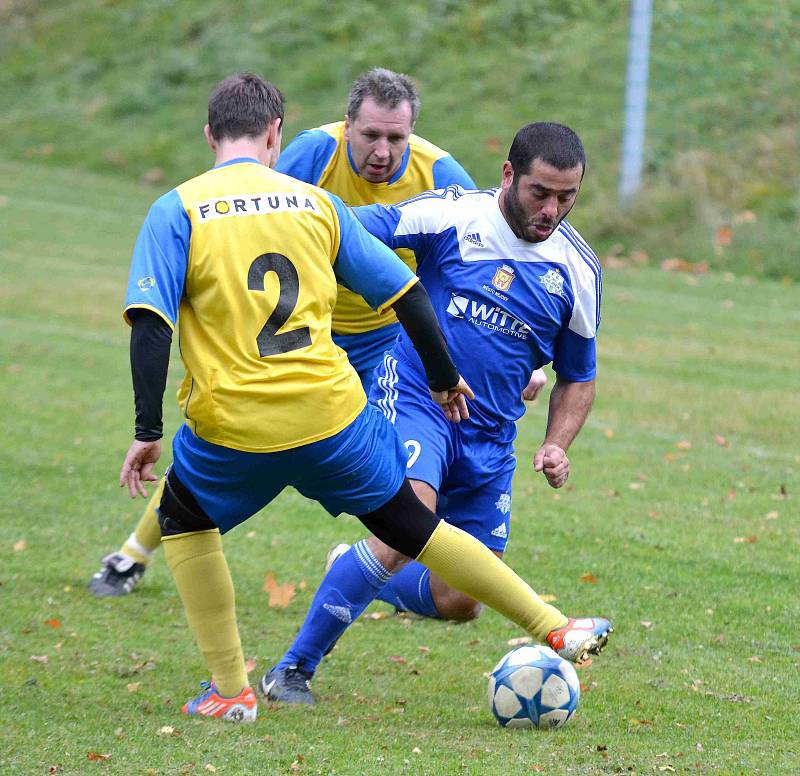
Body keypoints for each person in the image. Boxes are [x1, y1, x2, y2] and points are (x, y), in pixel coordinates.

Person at [118, 73, 609, 723]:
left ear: (210, 134)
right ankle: (550, 624)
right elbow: (406, 292)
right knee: (412, 525)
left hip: (237, 421)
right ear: (276, 134)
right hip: (335, 411)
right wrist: (441, 376)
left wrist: (147, 426)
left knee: (185, 518)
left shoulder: (176, 209)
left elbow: (153, 325)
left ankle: (230, 687)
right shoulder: (313, 203)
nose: (383, 148)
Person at [89, 67, 549, 597]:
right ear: (346, 125)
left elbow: (484, 268)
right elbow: (248, 214)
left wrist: (530, 362)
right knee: (212, 442)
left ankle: (400, 576)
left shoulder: (441, 172)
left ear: (413, 132)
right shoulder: (312, 153)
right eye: (371, 135)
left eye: (396, 138)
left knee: (413, 461)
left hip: (388, 341)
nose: (383, 150)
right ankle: (132, 554)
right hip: (306, 334)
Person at [262, 121, 610, 706]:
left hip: (493, 438)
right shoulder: (454, 216)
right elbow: (351, 227)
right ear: (508, 174)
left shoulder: (578, 270)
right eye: (540, 193)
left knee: (459, 600)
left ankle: (362, 570)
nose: (552, 210)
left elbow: (579, 376)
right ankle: (292, 669)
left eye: (567, 196)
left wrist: (557, 442)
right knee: (410, 524)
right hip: (420, 397)